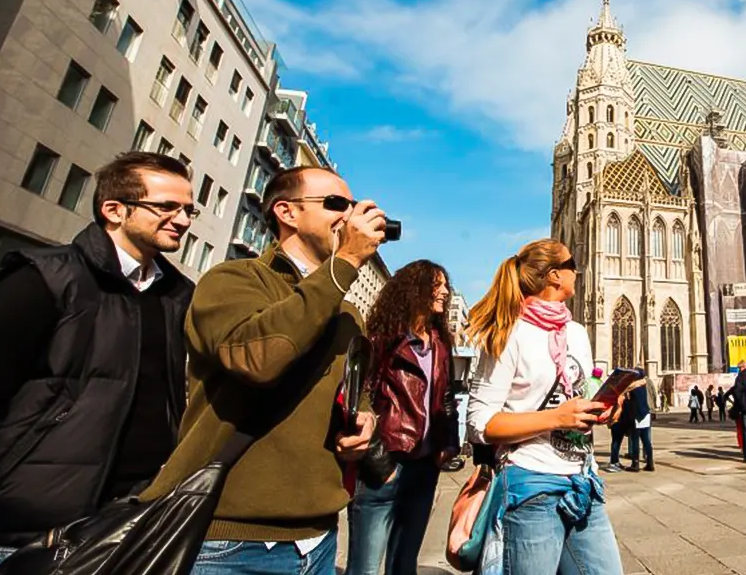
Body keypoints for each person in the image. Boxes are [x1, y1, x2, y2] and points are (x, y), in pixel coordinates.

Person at [139, 166, 383, 574]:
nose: (349, 215)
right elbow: (258, 360)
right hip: (229, 541)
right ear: (287, 212)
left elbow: (353, 393)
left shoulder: (347, 313)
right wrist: (346, 263)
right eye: (336, 204)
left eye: (353, 205)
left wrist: (365, 420)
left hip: (318, 536)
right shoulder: (232, 280)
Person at [0, 153, 197, 568]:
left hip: (126, 525)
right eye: (167, 207)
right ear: (114, 210)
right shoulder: (45, 276)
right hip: (24, 531)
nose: (183, 219)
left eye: (189, 209)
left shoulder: (179, 295)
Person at [466, 238, 622, 575]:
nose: (577, 272)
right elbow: (480, 424)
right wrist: (556, 417)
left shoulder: (577, 332)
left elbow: (577, 395)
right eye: (571, 265)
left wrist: (603, 408)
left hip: (582, 482)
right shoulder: (508, 333)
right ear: (554, 276)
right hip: (530, 486)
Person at [346, 261, 460, 575]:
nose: (445, 292)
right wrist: (380, 464)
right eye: (438, 286)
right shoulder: (384, 338)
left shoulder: (439, 341)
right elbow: (359, 398)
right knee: (365, 567)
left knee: (404, 565)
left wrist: (448, 445)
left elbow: (446, 396)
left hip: (423, 468)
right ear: (417, 289)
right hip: (385, 465)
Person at [625, 368, 655, 472]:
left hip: (637, 416)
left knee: (635, 440)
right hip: (646, 414)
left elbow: (629, 398)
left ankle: (635, 464)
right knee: (646, 440)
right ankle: (650, 463)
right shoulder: (644, 385)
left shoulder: (634, 387)